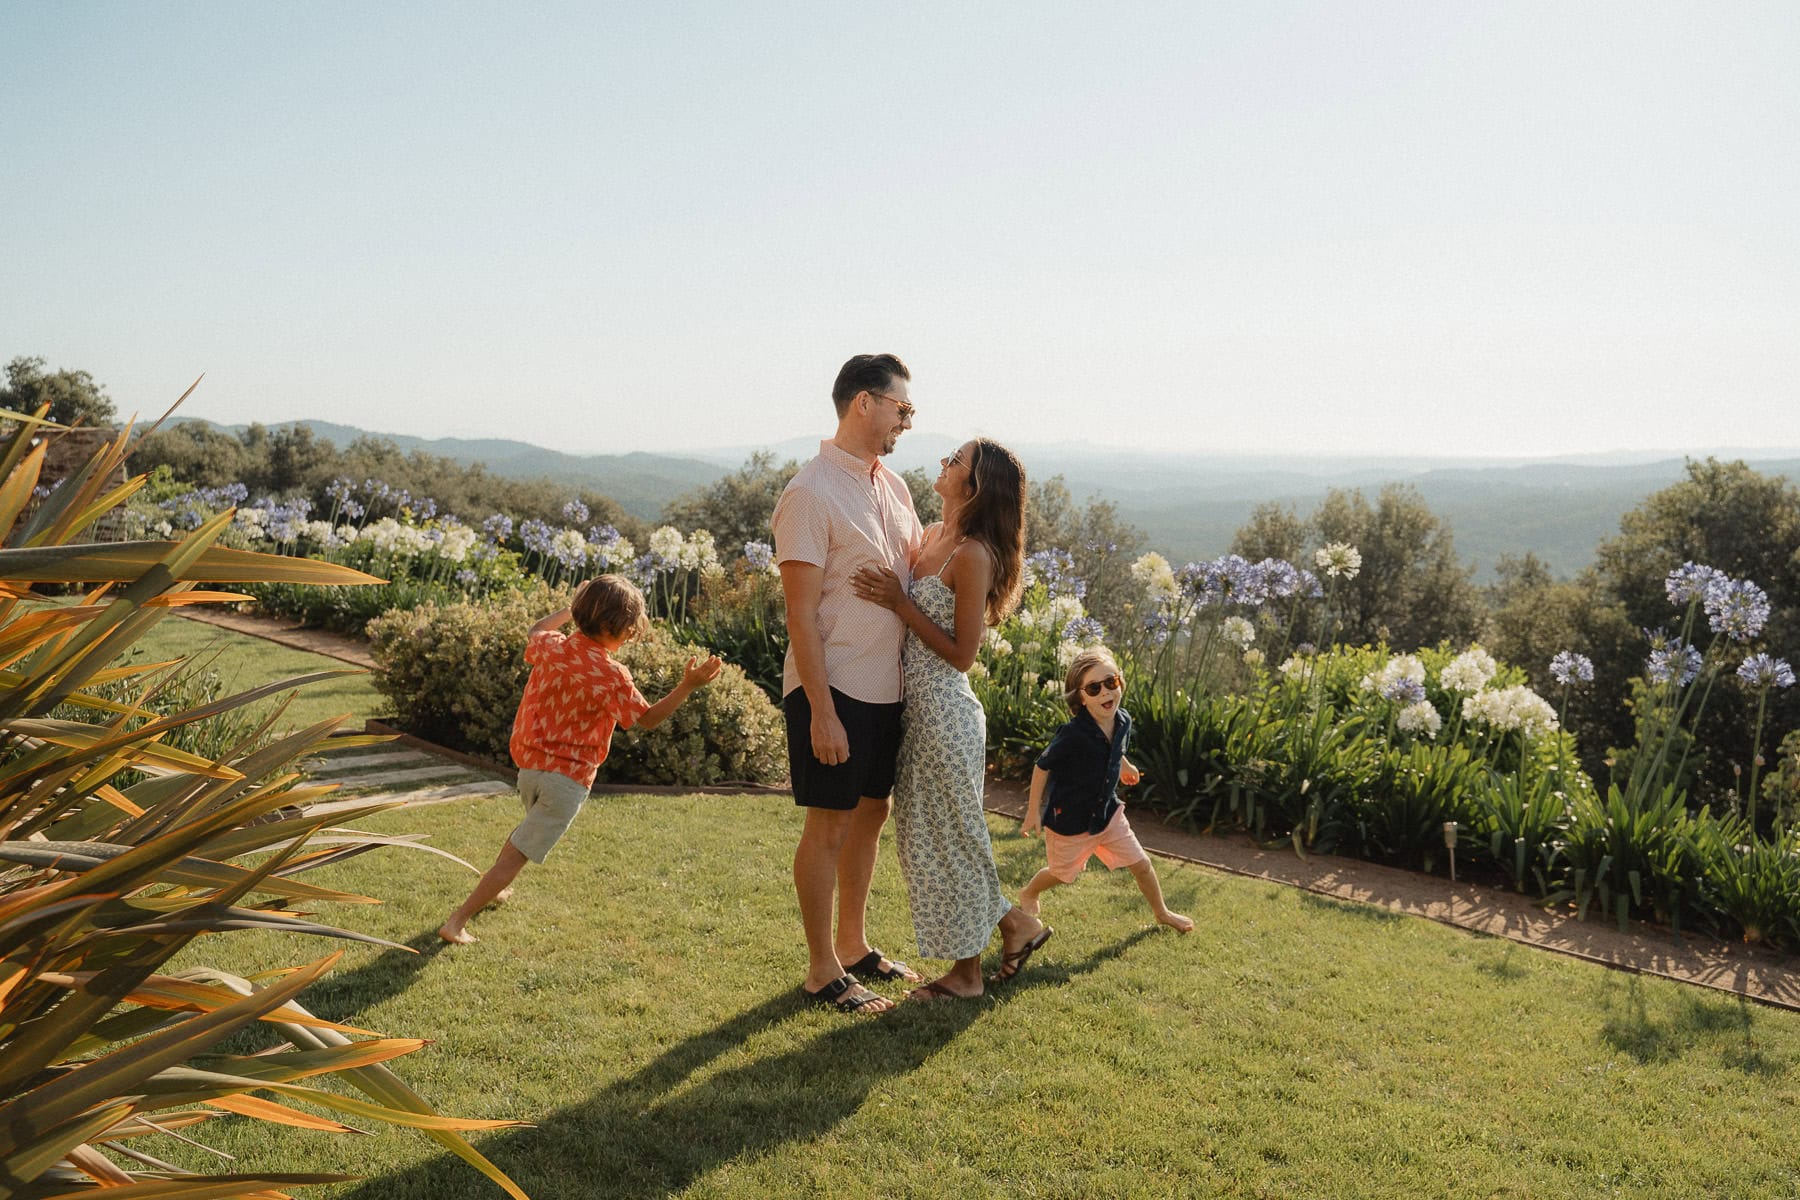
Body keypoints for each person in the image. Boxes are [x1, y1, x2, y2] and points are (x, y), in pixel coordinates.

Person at [851, 437, 1053, 1001]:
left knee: (954, 840)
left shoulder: (973, 555)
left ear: (976, 485)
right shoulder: (935, 536)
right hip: (915, 712)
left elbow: (964, 653)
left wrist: (900, 603)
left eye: (955, 461)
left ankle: (967, 976)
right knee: (931, 839)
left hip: (945, 712)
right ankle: (1017, 925)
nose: (943, 465)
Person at [438, 575, 722, 945]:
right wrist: (688, 686)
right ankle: (457, 921)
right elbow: (647, 719)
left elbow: (537, 628)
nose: (631, 634)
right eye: (629, 627)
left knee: (521, 840)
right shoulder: (612, 674)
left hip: (528, 770)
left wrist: (571, 608)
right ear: (611, 626)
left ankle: (497, 889)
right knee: (518, 852)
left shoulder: (553, 646)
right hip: (566, 780)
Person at [773, 353, 926, 1014]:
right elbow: (799, 613)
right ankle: (819, 969)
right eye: (902, 409)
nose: (908, 422)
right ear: (865, 403)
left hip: (885, 686)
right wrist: (822, 712)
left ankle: (855, 944)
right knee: (828, 827)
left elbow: (915, 568)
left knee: (872, 813)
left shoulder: (893, 487)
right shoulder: (808, 492)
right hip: (831, 689)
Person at [1018, 647, 1193, 933]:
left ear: (1120, 682)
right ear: (1080, 697)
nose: (1105, 693)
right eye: (1094, 688)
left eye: (1110, 683)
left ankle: (1162, 913)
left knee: (1142, 864)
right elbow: (1042, 766)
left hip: (1107, 812)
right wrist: (1032, 811)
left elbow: (1112, 748)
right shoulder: (1072, 735)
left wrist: (1125, 764)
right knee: (1062, 875)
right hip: (1070, 820)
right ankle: (1029, 892)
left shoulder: (1123, 721)